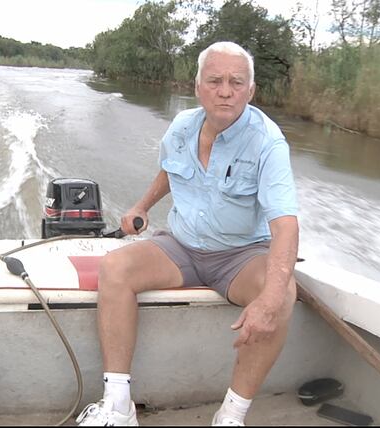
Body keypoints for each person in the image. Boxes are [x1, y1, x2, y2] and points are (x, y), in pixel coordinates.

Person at [75, 41, 299, 426]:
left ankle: (230, 416)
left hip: (240, 257)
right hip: (180, 246)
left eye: (236, 82)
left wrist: (271, 298)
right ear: (197, 87)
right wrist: (141, 207)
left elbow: (285, 226)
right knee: (114, 268)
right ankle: (118, 405)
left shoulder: (268, 142)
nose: (225, 91)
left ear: (251, 90)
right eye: (214, 81)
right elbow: (169, 170)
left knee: (280, 294)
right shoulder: (182, 126)